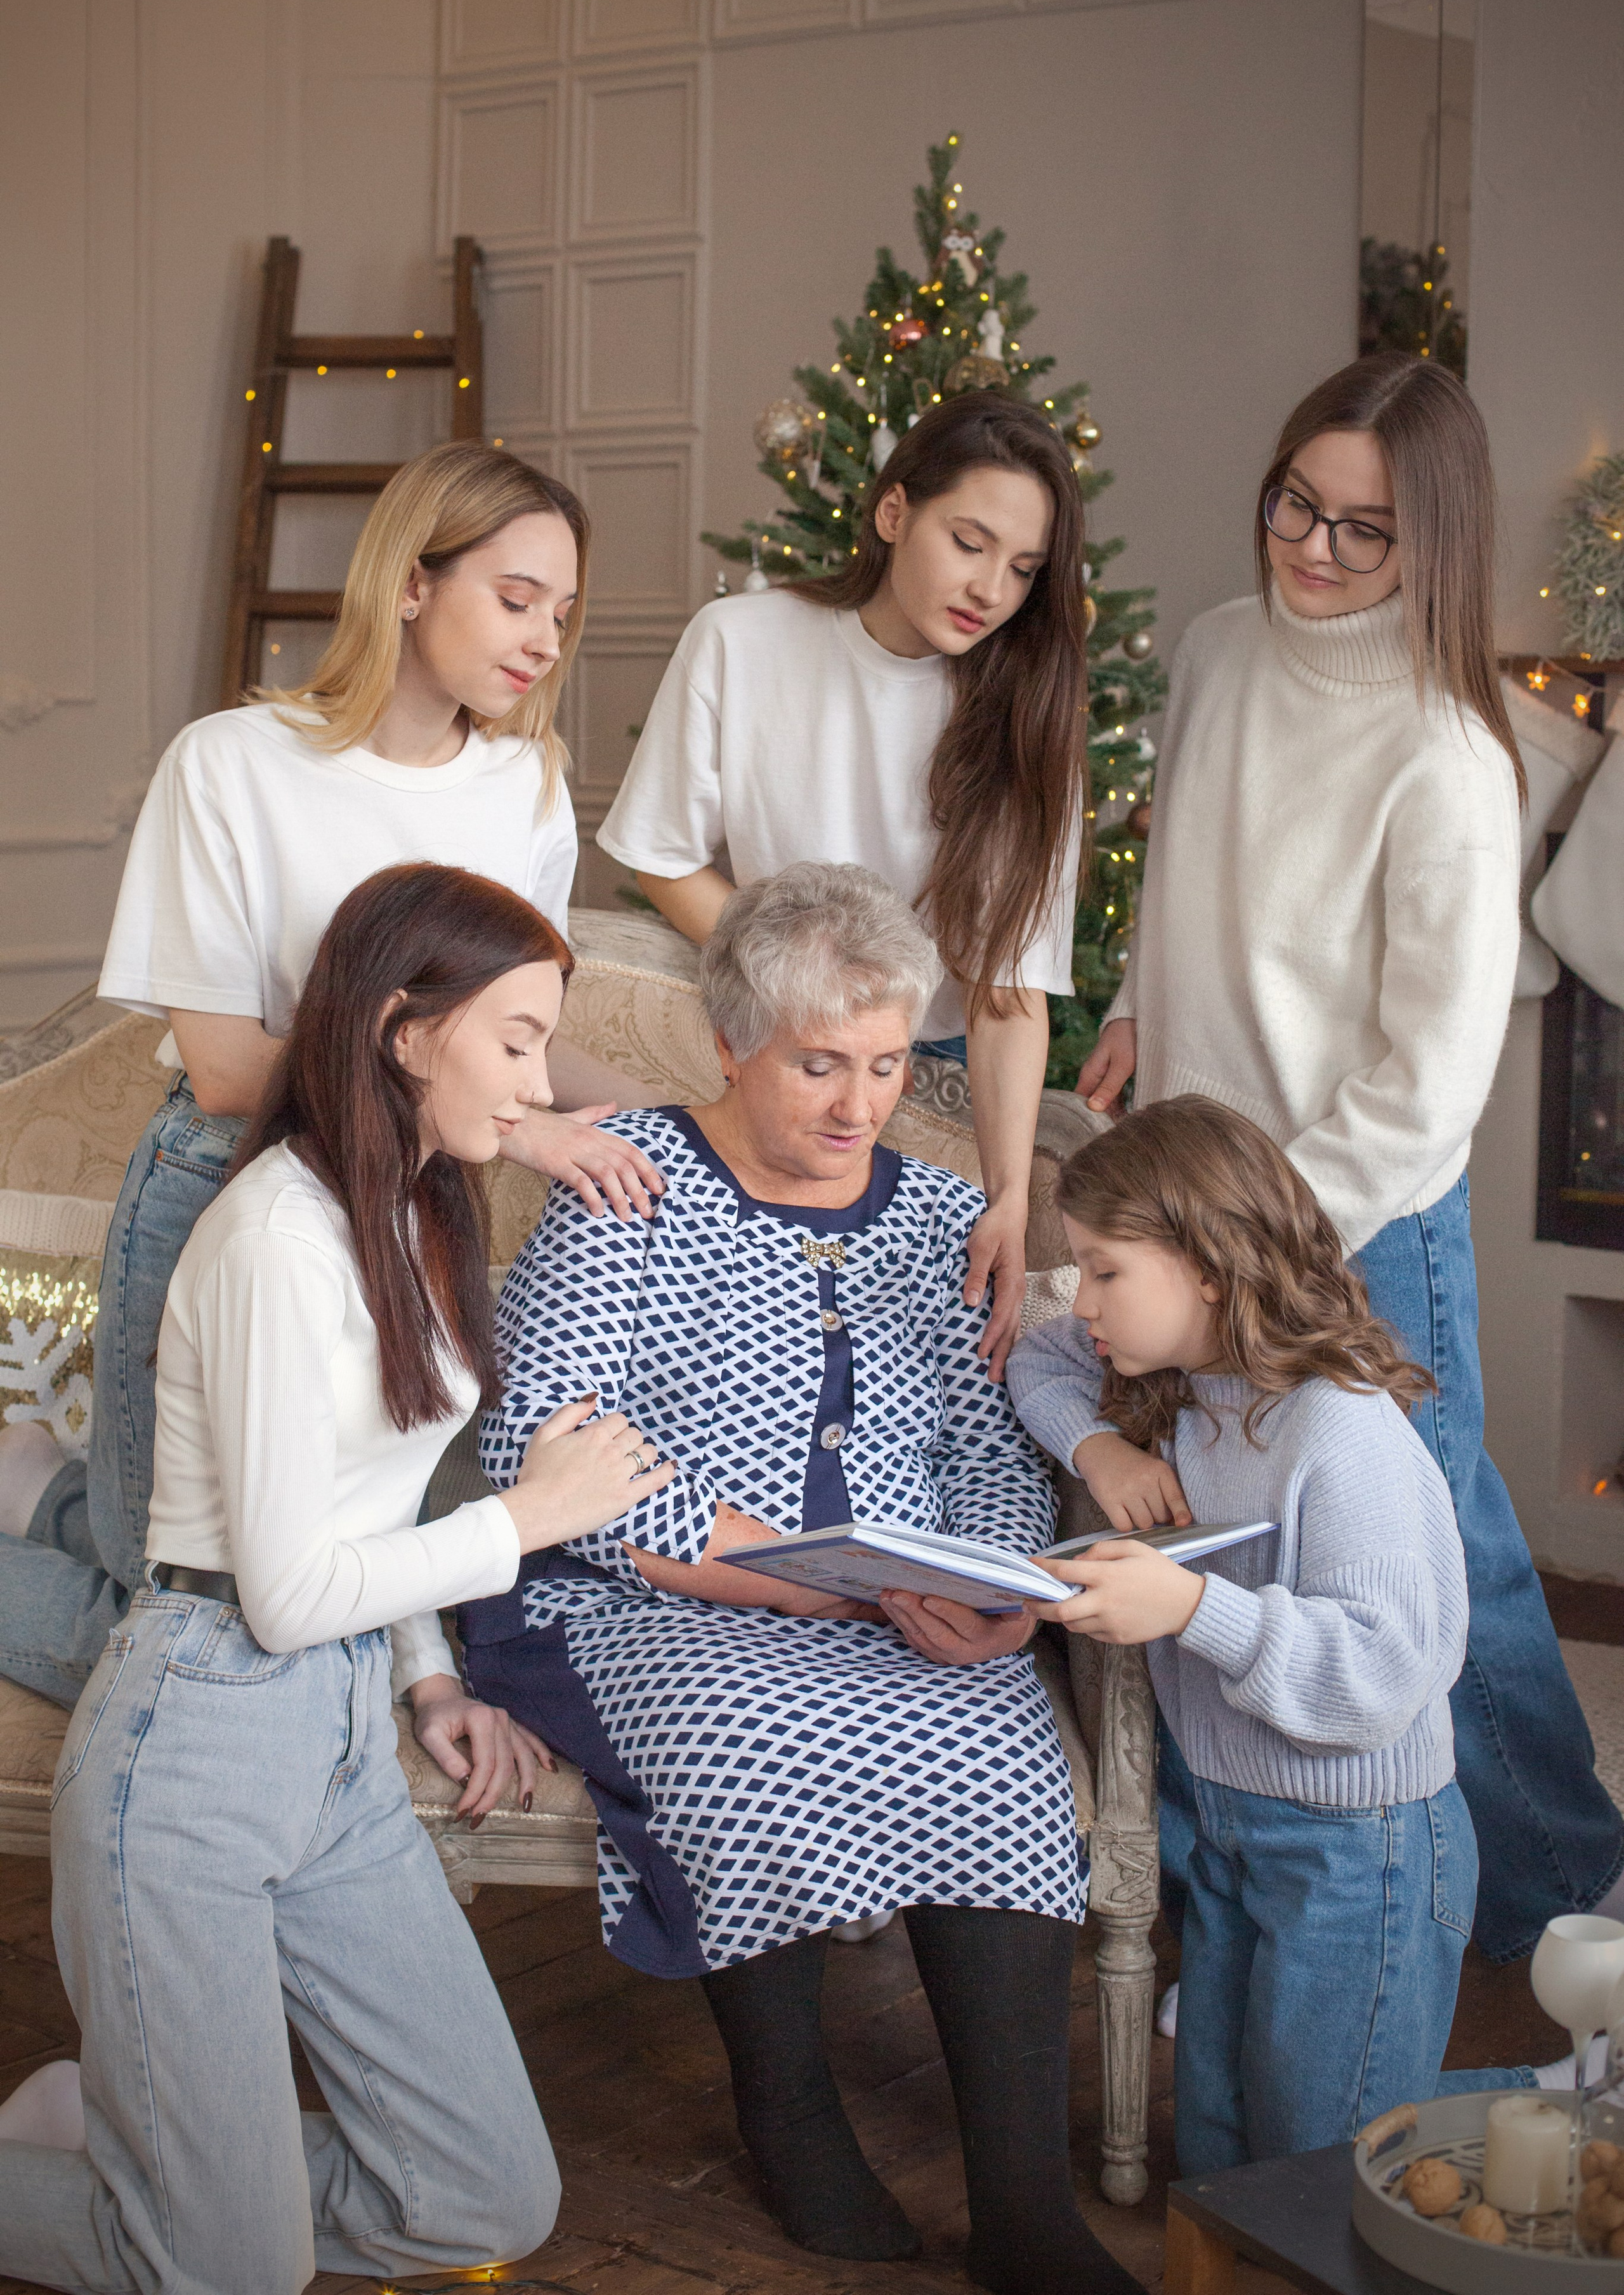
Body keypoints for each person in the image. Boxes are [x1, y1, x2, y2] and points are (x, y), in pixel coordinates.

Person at [459, 863, 1138, 2295]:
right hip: (651, 1593)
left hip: (903, 1605)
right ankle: (791, 2113)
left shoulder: (935, 1217)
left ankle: (1021, 2208)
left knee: (1003, 1758)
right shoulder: (624, 1183)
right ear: (729, 1044)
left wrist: (997, 1587)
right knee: (748, 1740)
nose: (857, 1104)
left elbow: (984, 1443)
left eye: (887, 1065)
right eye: (817, 1064)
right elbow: (547, 1451)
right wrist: (795, 1584)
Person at [0, 862, 673, 2295]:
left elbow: (369, 1508)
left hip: (337, 1753)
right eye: (514, 1041)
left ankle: (142, 2177)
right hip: (192, 1748)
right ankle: (158, 2207)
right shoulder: (274, 1240)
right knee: (228, 2273)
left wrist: (428, 1675)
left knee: (490, 2198)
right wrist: (531, 1518)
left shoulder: (417, 1214)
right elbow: (287, 1592)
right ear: (400, 1029)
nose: (538, 1087)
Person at [1073, 354, 1624, 1962]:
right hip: (1190, 1205)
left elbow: (1426, 1082)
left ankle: (1551, 1906)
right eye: (1292, 507)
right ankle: (1241, 1900)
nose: (1311, 551)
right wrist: (1130, 999)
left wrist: (1243, 1244)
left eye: (1362, 532)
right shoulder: (1218, 651)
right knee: (1216, 1546)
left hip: (1349, 1222)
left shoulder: (1451, 755)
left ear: (1430, 544)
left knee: (1418, 1570)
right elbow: (1194, 877)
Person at [0, 440, 665, 1711]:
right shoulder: (232, 765)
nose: (542, 639)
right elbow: (225, 1069)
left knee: (302, 1576)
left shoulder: (521, 782)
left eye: (562, 615)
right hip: (225, 1191)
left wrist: (643, 1108)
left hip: (413, 1202)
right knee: (177, 1628)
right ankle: (50, 1500)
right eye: (514, 597)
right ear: (411, 583)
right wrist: (523, 1132)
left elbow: (515, 1027)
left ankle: (40, 1487)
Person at [1007, 1095, 1540, 2172]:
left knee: (1320, 2160)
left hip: (1362, 1853)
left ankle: (1553, 2104)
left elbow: (1390, 1668)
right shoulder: (1180, 1379)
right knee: (1219, 2141)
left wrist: (1195, 1610)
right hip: (1232, 1826)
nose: (1086, 1301)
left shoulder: (1339, 1432)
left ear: (1207, 1265)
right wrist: (1100, 1453)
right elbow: (1042, 1357)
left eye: (1107, 1270)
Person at [595, 389, 1091, 1382]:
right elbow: (659, 853)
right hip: (765, 1037)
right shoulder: (742, 640)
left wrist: (1005, 1195)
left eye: (1024, 569)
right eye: (969, 540)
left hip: (931, 1065)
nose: (991, 587)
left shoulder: (1027, 717)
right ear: (894, 512)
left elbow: (1007, 990)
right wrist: (795, 980)